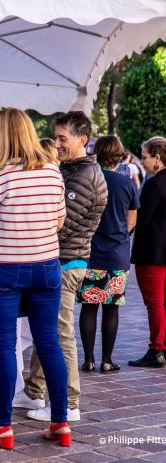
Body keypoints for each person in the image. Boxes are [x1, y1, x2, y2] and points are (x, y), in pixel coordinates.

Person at [0, 108, 70, 450]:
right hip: (46, 266)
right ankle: (61, 421)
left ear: (1, 136)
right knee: (49, 342)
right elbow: (58, 222)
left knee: (3, 347)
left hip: (4, 269)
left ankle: (1, 426)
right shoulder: (53, 172)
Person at [13, 111, 107, 422]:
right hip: (63, 260)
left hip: (67, 262)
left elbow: (57, 225)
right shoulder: (69, 170)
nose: (57, 144)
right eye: (56, 138)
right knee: (47, 328)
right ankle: (34, 391)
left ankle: (68, 403)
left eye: (63, 139)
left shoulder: (82, 177)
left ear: (83, 139)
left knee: (59, 333)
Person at [76, 136, 139, 373]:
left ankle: (89, 359)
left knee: (88, 306)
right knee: (111, 308)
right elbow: (132, 221)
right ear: (119, 156)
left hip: (89, 254)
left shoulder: (88, 180)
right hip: (117, 254)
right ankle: (107, 360)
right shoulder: (126, 184)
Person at [128, 136, 166, 367]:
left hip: (152, 253)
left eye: (144, 157)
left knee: (154, 303)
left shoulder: (153, 184)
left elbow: (143, 220)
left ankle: (156, 349)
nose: (142, 161)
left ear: (157, 158)